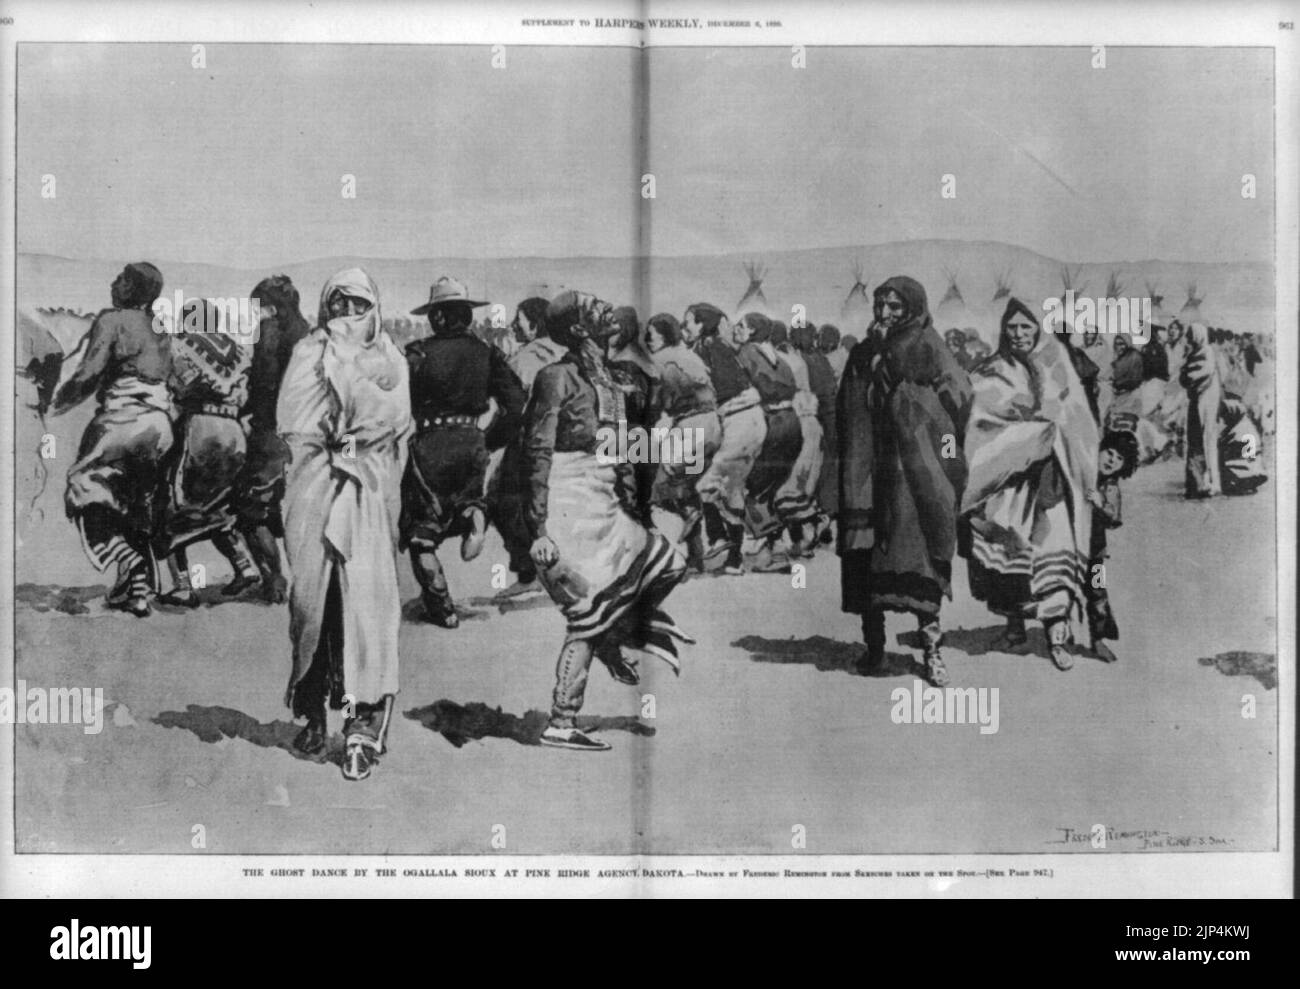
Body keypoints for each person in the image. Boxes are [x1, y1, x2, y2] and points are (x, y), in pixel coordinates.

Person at [521, 291, 692, 751]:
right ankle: (561, 719)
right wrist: (537, 530)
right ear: (577, 328)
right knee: (584, 618)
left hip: (602, 500)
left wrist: (637, 513)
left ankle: (612, 634)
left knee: (670, 563)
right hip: (566, 503)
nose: (603, 309)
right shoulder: (554, 377)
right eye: (591, 307)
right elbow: (536, 451)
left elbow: (620, 457)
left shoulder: (612, 381)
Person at [278, 268, 412, 780]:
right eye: (338, 306)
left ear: (373, 309)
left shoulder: (389, 359)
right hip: (314, 488)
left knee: (367, 611)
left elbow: (390, 420)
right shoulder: (307, 353)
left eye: (357, 306)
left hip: (369, 494)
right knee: (314, 604)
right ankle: (313, 714)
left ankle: (361, 732)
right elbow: (292, 418)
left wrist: (351, 438)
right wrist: (332, 442)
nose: (347, 317)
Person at [837, 277, 973, 686]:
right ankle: (874, 646)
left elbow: (960, 397)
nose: (884, 314)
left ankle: (931, 649)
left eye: (895, 307)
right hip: (868, 472)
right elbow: (846, 409)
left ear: (912, 308)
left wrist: (915, 406)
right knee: (865, 558)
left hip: (914, 477)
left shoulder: (929, 345)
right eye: (880, 305)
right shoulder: (862, 353)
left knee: (921, 559)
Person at [960, 297, 1098, 672]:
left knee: (1054, 550)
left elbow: (1078, 421)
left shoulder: (1058, 366)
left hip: (1051, 480)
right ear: (1003, 330)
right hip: (1007, 482)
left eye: (1026, 326)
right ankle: (1015, 627)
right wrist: (1025, 434)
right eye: (1013, 327)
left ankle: (1056, 635)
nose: (1019, 333)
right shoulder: (991, 371)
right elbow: (979, 425)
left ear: (1038, 328)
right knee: (1009, 559)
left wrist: (1054, 432)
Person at [400, 277, 527, 628]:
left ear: (438, 317)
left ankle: (443, 609)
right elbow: (516, 404)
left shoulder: (417, 354)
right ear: (467, 316)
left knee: (421, 535)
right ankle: (475, 513)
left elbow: (394, 404)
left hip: (431, 446)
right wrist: (489, 439)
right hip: (472, 442)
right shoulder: (487, 353)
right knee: (465, 498)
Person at [53, 262, 173, 617]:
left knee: (84, 489)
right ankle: (136, 593)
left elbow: (89, 374)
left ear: (133, 288)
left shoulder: (112, 319)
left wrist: (56, 403)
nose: (113, 282)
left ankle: (131, 565)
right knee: (134, 505)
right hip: (159, 426)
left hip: (122, 420)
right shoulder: (160, 326)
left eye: (121, 279)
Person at [155, 298, 261, 607]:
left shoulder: (178, 344)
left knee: (174, 509)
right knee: (219, 506)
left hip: (201, 429)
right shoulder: (238, 351)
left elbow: (177, 387)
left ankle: (183, 587)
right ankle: (244, 567)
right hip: (235, 433)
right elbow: (246, 394)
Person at [232, 274, 312, 602]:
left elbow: (264, 380)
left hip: (272, 435)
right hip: (308, 437)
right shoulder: (313, 335)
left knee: (251, 510)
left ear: (271, 307)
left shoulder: (270, 331)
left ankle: (275, 578)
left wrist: (244, 407)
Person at [486, 297, 567, 601]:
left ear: (533, 323)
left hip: (530, 440)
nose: (513, 325)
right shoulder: (563, 352)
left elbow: (508, 407)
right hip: (564, 441)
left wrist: (488, 441)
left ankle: (527, 573)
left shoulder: (526, 357)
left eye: (518, 319)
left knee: (500, 498)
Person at [689, 302, 766, 575]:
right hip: (749, 421)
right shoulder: (720, 347)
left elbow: (721, 388)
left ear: (702, 324)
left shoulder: (709, 347)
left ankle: (719, 539)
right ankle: (734, 558)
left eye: (690, 321)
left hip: (739, 422)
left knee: (704, 486)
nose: (686, 326)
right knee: (733, 490)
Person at [644, 312, 720, 560]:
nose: (648, 339)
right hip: (710, 426)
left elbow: (655, 401)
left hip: (690, 427)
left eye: (652, 335)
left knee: (661, 486)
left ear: (665, 335)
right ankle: (696, 555)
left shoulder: (661, 360)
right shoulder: (689, 354)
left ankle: (677, 547)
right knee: (686, 485)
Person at [734, 312, 804, 571]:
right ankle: (775, 547)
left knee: (754, 486)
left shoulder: (746, 353)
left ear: (752, 331)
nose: (735, 329)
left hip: (772, 422)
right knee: (772, 488)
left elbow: (743, 389)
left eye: (741, 326)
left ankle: (772, 554)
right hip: (792, 422)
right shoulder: (779, 358)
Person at [770, 321, 826, 555]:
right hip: (812, 422)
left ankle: (806, 531)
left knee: (786, 485)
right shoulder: (800, 359)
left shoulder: (778, 360)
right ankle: (805, 536)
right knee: (803, 484)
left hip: (795, 424)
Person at [1086, 427, 1139, 662]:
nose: (1112, 460)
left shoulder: (1111, 487)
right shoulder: (1083, 470)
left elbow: (1114, 517)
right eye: (1109, 453)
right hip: (1070, 544)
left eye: (1119, 459)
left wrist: (1099, 504)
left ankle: (1098, 639)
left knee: (1097, 593)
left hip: (1095, 550)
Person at [606, 306, 662, 527]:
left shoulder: (626, 361)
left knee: (628, 497)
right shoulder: (642, 356)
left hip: (628, 432)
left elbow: (634, 404)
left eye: (615, 328)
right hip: (643, 433)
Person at [796, 321, 840, 534]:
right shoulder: (821, 360)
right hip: (831, 420)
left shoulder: (800, 361)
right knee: (825, 469)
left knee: (805, 471)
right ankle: (825, 515)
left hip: (813, 419)